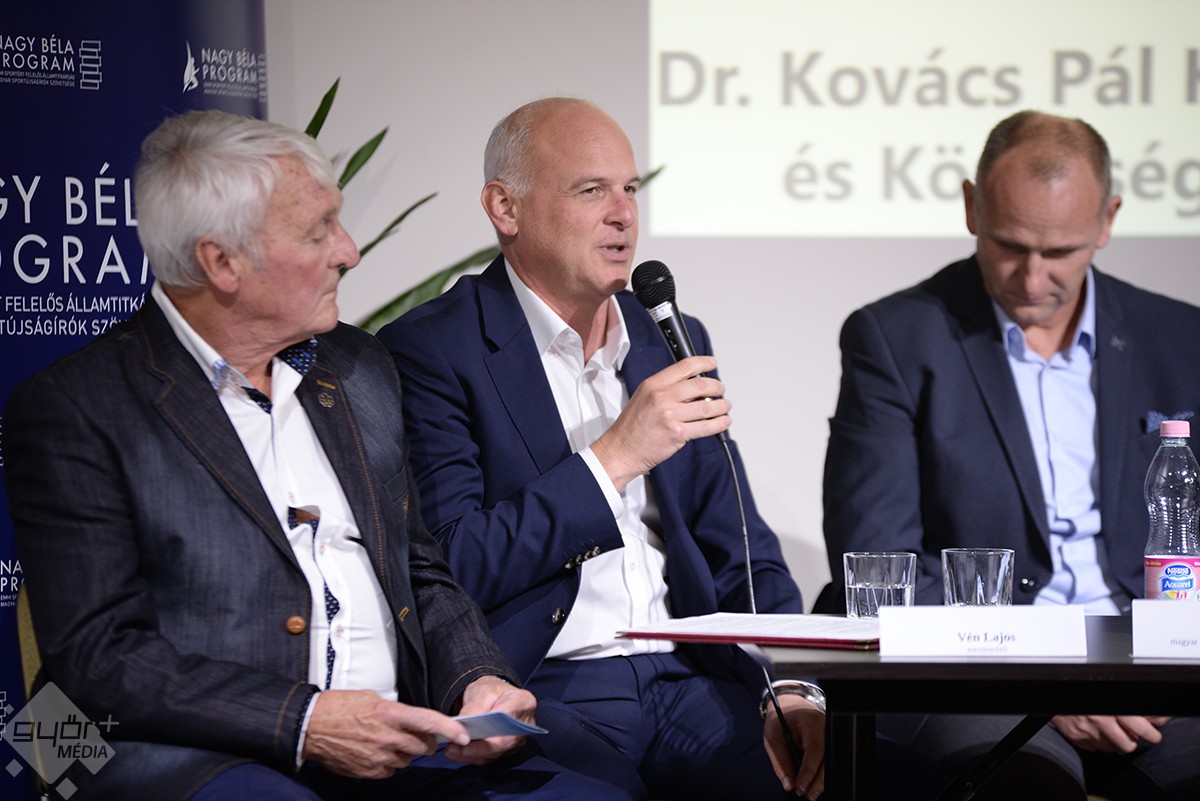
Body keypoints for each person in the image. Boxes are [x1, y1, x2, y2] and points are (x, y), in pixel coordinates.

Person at [3, 109, 625, 801]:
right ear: (221, 262)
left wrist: (474, 677)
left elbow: (418, 566)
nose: (348, 251)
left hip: (394, 745)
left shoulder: (357, 366)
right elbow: (98, 656)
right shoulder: (76, 405)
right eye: (317, 230)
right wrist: (304, 721)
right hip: (181, 755)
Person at [375, 98, 826, 800]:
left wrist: (792, 686)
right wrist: (614, 458)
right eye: (591, 191)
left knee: (872, 777)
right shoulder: (433, 348)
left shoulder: (665, 336)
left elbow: (740, 540)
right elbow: (454, 563)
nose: (623, 215)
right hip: (545, 685)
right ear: (505, 207)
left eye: (630, 189)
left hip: (689, 677)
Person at [821, 109, 1200, 800]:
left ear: (1108, 221)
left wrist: (1165, 669)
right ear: (972, 207)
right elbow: (879, 559)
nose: (1031, 277)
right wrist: (1044, 679)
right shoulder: (896, 338)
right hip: (980, 670)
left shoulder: (1180, 336)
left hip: (1154, 672)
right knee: (1022, 789)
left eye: (1060, 253)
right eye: (1008, 246)